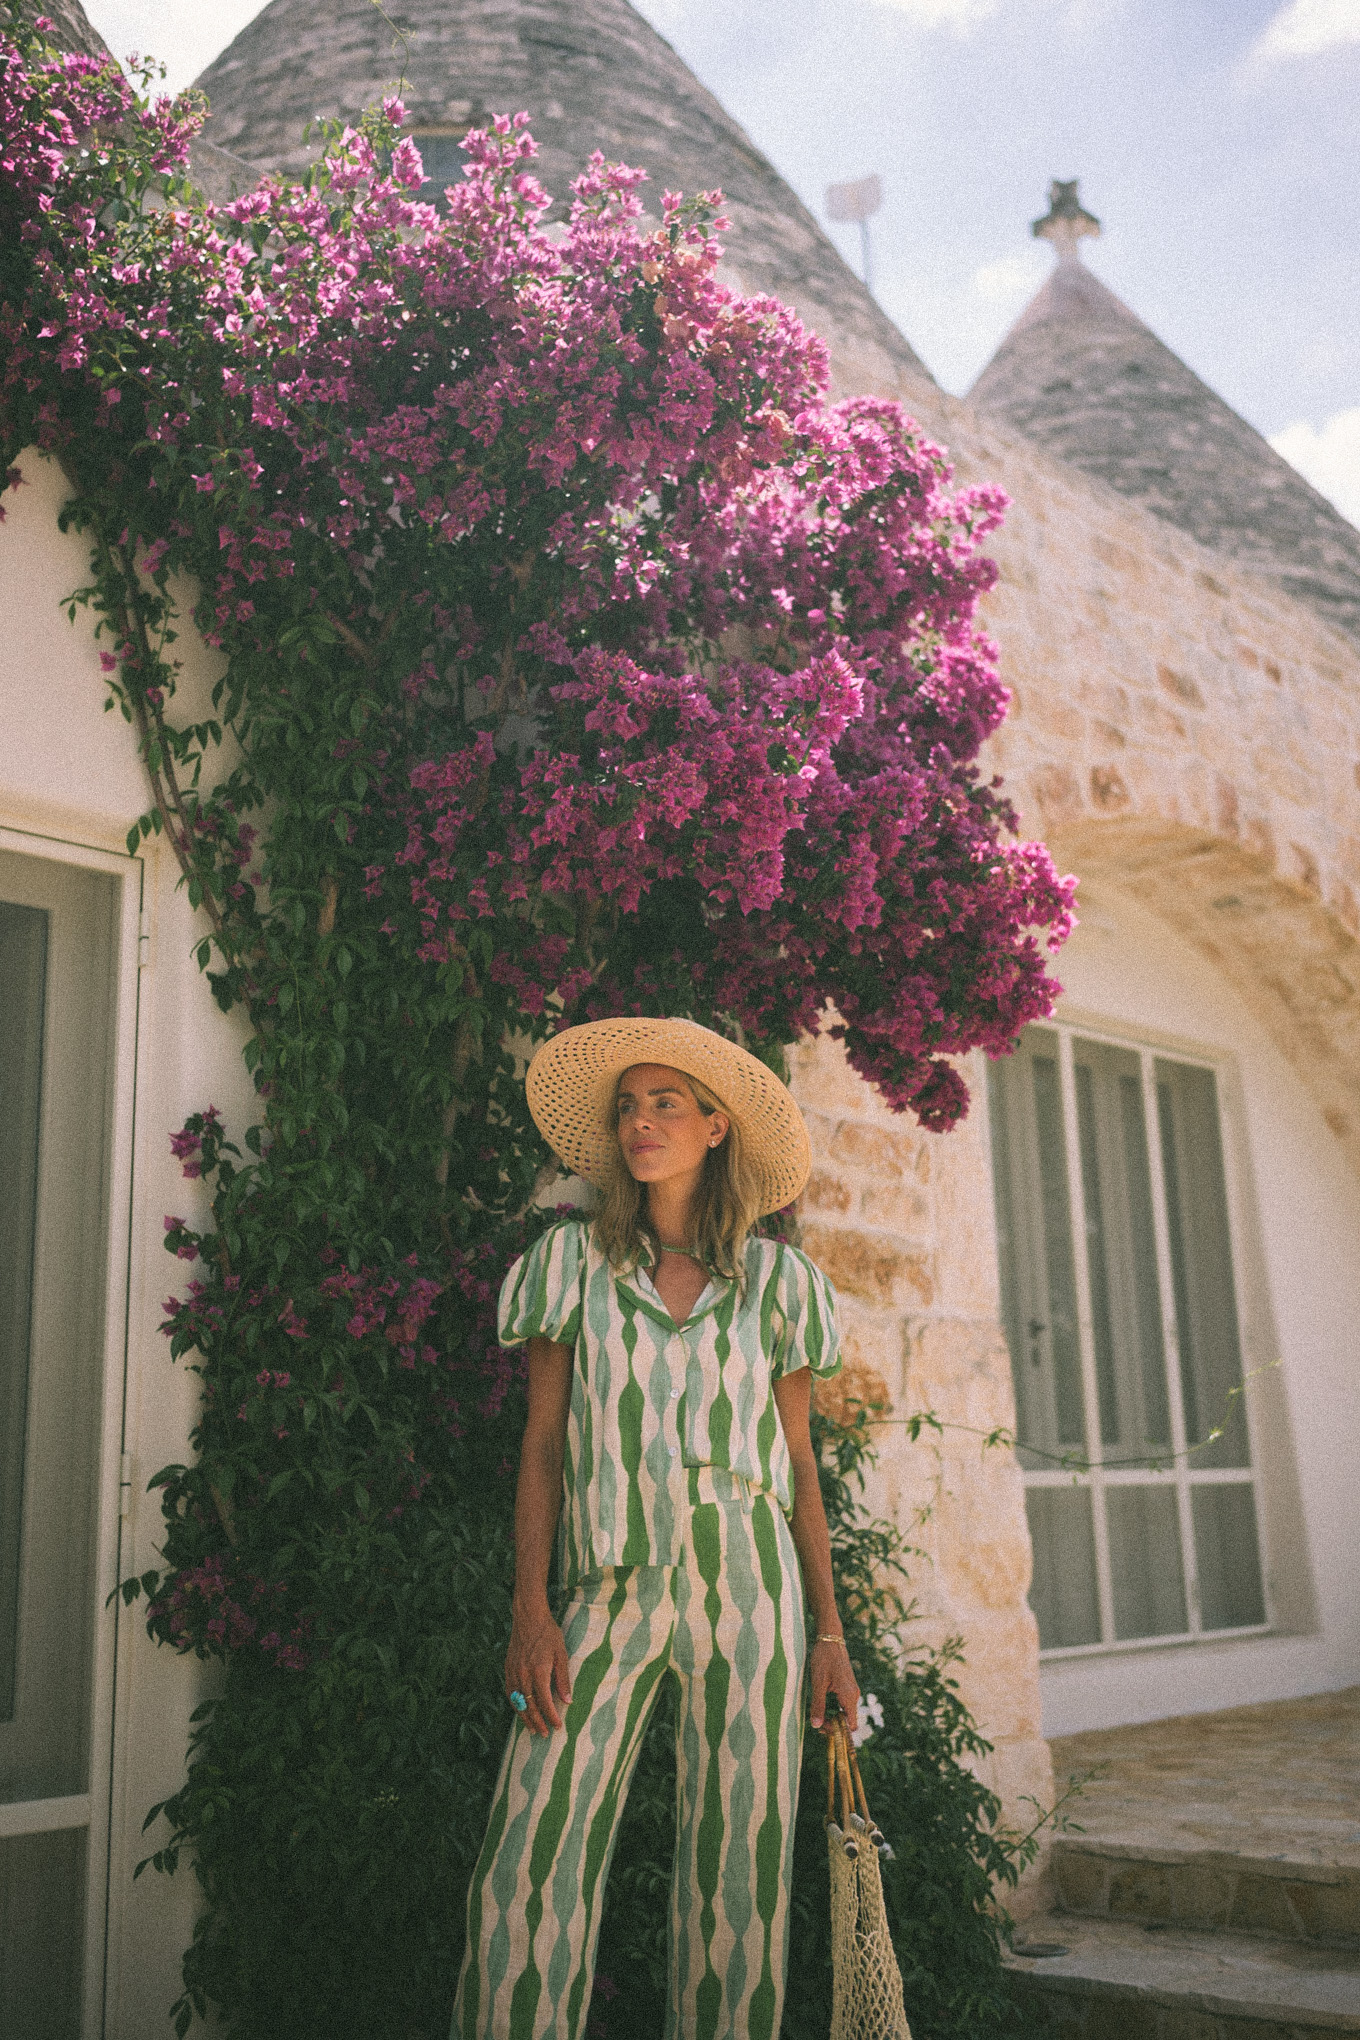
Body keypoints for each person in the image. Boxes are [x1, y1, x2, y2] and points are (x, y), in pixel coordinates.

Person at [453, 1016, 860, 2040]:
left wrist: (830, 1633)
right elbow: (542, 1445)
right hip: (603, 1586)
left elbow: (801, 1466)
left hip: (753, 1584)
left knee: (739, 1883)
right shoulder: (568, 1265)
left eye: (664, 1102)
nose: (640, 1121)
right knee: (526, 1862)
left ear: (716, 1127)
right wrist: (530, 1606)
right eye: (629, 1106)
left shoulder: (777, 1285)